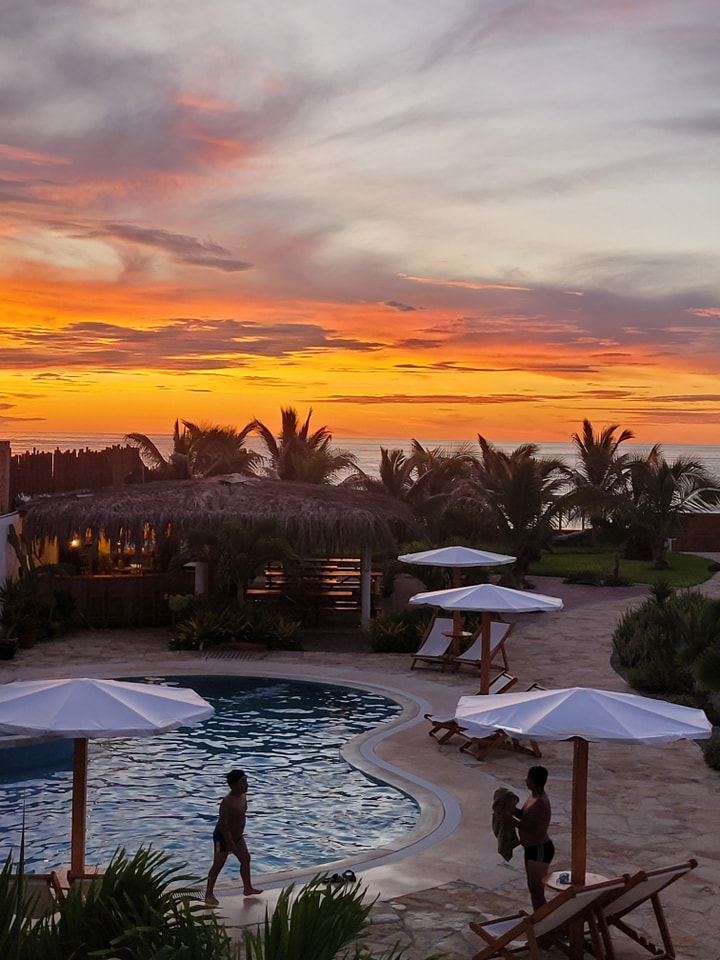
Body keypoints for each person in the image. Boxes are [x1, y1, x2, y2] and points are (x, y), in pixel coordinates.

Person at [205, 769, 262, 902]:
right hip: (223, 837)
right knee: (218, 864)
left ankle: (247, 888)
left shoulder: (243, 797)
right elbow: (223, 823)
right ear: (233, 786)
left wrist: (238, 836)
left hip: (237, 836)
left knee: (246, 859)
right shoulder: (227, 802)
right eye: (242, 783)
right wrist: (229, 842)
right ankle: (208, 893)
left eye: (246, 781)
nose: (246, 785)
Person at [512, 765, 554, 910]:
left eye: (528, 778)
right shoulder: (533, 797)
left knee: (537, 891)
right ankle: (539, 919)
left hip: (539, 849)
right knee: (532, 888)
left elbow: (534, 829)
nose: (526, 781)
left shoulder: (541, 803)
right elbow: (525, 817)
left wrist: (509, 820)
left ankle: (544, 922)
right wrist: (512, 811)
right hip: (531, 849)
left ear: (532, 781)